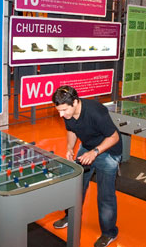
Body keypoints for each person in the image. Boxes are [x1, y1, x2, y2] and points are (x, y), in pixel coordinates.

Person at [51, 86, 122, 247]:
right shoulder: (67, 111)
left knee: (105, 195)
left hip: (108, 150)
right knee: (76, 187)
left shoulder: (96, 112)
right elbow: (71, 130)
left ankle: (109, 233)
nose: (61, 114)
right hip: (88, 146)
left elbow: (114, 136)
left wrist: (94, 152)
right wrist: (70, 148)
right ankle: (71, 217)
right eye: (59, 111)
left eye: (63, 110)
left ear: (75, 102)